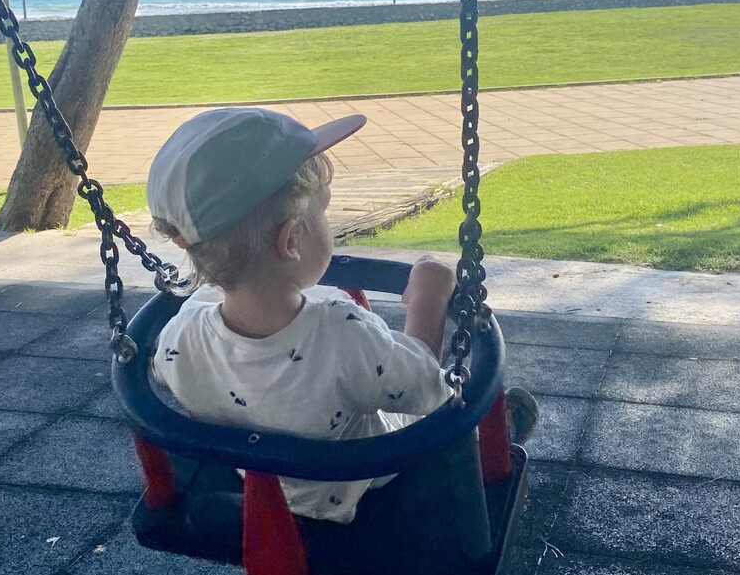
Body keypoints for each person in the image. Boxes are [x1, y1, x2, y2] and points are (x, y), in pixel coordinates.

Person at [147, 107, 536, 524]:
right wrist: (429, 296)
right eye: (324, 211)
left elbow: (157, 373)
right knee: (455, 419)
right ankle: (503, 433)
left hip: (264, 481)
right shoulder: (339, 333)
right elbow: (431, 388)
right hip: (357, 477)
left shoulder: (182, 330)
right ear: (292, 239)